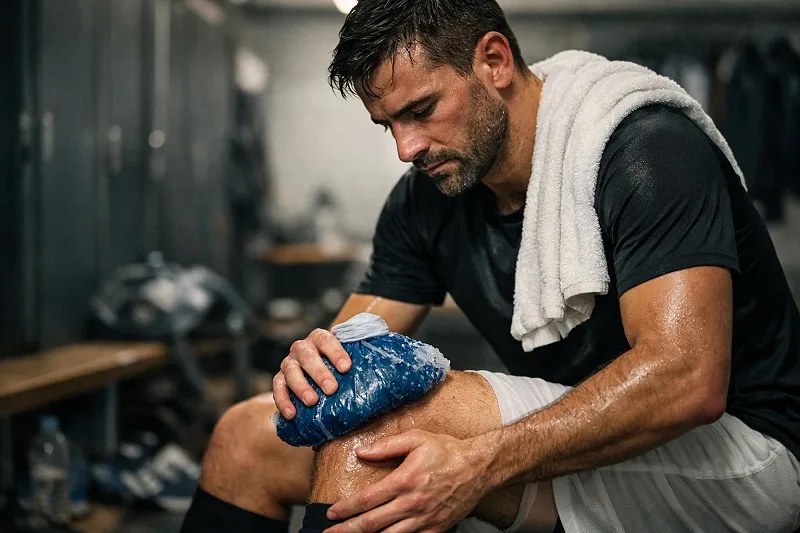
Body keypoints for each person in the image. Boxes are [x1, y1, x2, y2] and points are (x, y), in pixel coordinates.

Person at [180, 1, 800, 532]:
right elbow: (349, 350)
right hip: (577, 442)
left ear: (495, 61)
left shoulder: (646, 150)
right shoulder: (427, 198)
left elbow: (687, 380)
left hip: (744, 458)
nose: (406, 148)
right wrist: (313, 359)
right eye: (388, 124)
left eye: (421, 109)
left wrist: (481, 462)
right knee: (246, 437)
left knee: (377, 429)